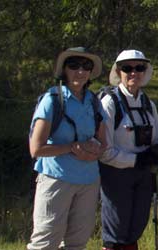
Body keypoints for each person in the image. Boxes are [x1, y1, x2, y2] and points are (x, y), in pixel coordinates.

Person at [27, 47, 109, 250]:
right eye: (74, 66)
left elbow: (104, 143)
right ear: (64, 69)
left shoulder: (94, 101)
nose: (80, 71)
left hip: (88, 180)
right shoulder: (52, 100)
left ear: (90, 72)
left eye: (86, 66)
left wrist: (93, 151)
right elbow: (36, 149)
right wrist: (72, 148)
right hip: (56, 179)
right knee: (46, 242)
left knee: (77, 242)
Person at [98, 49, 158, 250]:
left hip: (143, 176)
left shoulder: (148, 104)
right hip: (116, 176)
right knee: (116, 232)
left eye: (139, 68)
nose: (133, 72)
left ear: (145, 71)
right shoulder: (109, 103)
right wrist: (136, 160)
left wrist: (156, 152)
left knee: (135, 227)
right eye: (127, 68)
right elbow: (104, 152)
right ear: (119, 72)